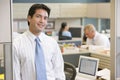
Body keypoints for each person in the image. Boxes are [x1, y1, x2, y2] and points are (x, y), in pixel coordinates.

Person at [13, 4, 65, 80]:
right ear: (29, 18)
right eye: (38, 16)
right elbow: (15, 76)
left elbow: (59, 72)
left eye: (45, 18)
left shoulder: (52, 43)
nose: (42, 21)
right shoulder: (17, 44)